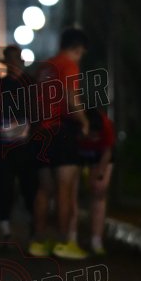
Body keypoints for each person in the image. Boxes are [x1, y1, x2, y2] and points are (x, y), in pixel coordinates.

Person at [29, 27, 90, 260]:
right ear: (77, 48)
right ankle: (64, 242)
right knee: (65, 189)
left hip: (41, 132)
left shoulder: (44, 67)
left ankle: (38, 242)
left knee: (44, 189)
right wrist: (83, 121)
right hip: (61, 131)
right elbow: (70, 96)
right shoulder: (68, 65)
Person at [0, 45, 39, 237]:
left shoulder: (31, 84)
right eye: (10, 60)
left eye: (17, 59)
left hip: (28, 146)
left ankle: (34, 224)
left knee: (30, 186)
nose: (14, 63)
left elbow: (38, 112)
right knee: (4, 187)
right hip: (3, 146)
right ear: (6, 62)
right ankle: (5, 229)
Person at [76, 107, 115, 255]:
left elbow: (107, 152)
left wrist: (99, 175)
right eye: (91, 135)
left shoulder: (106, 126)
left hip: (101, 157)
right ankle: (71, 237)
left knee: (99, 192)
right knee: (71, 192)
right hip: (79, 155)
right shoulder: (76, 127)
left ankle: (96, 240)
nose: (94, 139)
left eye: (96, 136)